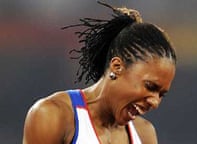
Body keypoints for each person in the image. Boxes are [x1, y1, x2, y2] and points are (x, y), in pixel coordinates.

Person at [23, 1, 176, 144]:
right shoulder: (53, 115)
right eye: (150, 87)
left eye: (161, 94)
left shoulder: (144, 134)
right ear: (117, 67)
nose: (155, 102)